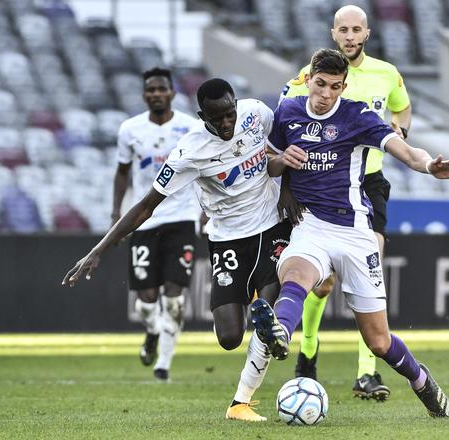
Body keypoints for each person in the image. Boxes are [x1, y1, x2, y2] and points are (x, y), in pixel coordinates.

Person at [63, 78, 290, 422]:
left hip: (272, 226)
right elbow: (145, 206)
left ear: (236, 105)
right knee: (229, 337)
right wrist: (99, 249)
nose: (227, 123)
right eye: (219, 118)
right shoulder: (188, 152)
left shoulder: (255, 113)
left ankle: (240, 402)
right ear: (203, 116)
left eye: (230, 113)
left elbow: (282, 147)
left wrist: (287, 186)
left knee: (266, 314)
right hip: (227, 238)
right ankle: (259, 341)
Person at [263, 48, 449, 417]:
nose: (325, 95)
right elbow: (268, 162)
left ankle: (422, 382)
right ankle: (280, 334)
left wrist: (428, 165)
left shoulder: (357, 116)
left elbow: (403, 150)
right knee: (296, 274)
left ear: (343, 87)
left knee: (379, 341)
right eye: (320, 84)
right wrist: (280, 162)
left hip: (355, 233)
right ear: (308, 79)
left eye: (334, 87)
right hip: (311, 225)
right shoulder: (287, 112)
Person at [279, 4, 411, 401]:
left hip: (369, 181)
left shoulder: (386, 73)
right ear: (333, 34)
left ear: (367, 34)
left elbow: (401, 109)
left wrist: (399, 131)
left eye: (357, 30)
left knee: (373, 273)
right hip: (325, 187)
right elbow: (286, 125)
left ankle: (367, 373)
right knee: (322, 286)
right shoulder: (310, 77)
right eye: (344, 30)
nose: (350, 36)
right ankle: (307, 351)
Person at [112, 67, 200, 381]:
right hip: (144, 220)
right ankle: (151, 331)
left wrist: (207, 208)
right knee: (147, 302)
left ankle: (163, 364)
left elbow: (202, 169)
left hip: (182, 217)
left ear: (172, 93)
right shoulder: (130, 129)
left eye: (162, 89)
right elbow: (122, 172)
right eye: (151, 90)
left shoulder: (191, 128)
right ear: (144, 95)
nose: (156, 94)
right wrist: (116, 214)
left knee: (174, 299)